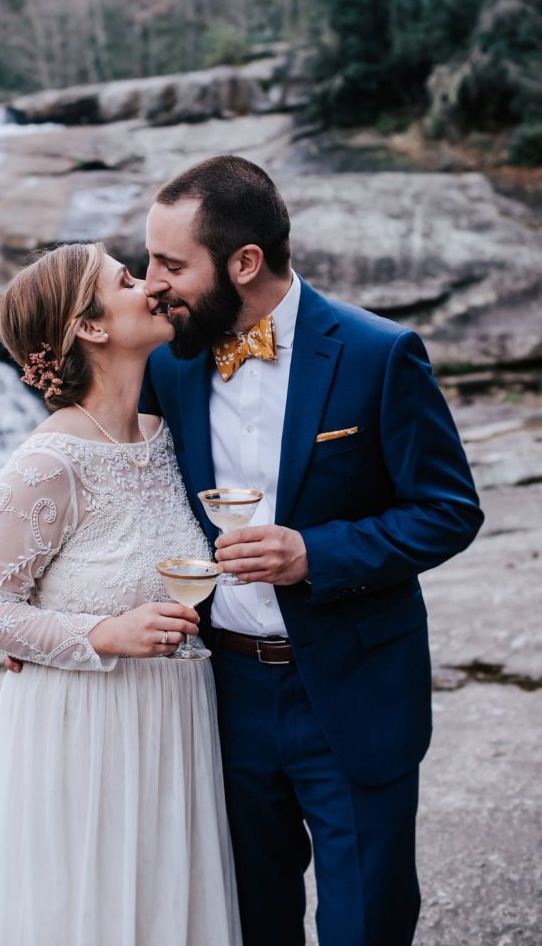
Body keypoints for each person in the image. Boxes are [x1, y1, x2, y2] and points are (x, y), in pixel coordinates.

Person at [140, 154, 484, 946]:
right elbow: (118, 495)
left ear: (244, 262)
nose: (151, 281)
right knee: (251, 921)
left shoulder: (378, 352)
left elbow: (449, 510)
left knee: (367, 921)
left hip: (355, 692)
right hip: (221, 697)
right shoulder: (169, 363)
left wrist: (314, 554)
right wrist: (51, 624)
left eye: (169, 263)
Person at [0, 242, 242, 946]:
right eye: (126, 278)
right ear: (93, 327)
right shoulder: (49, 461)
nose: (151, 285)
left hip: (177, 722)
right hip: (86, 731)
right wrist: (101, 634)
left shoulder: (168, 432)